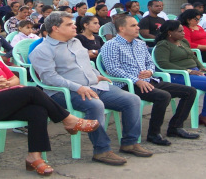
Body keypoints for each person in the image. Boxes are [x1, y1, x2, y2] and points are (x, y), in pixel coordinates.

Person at [0, 29, 99, 175]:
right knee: (32, 91)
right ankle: (69, 119)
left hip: (4, 102)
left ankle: (34, 157)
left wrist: (7, 84)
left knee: (38, 111)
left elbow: (15, 79)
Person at [30, 12, 152, 166]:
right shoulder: (42, 50)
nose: (75, 26)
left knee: (132, 99)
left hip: (93, 86)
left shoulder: (75, 42)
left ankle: (130, 142)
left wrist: (96, 75)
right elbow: (49, 78)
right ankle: (102, 150)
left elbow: (85, 64)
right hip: (63, 93)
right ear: (56, 28)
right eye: (69, 24)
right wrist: (78, 87)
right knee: (96, 105)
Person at [101, 16, 199, 144]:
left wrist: (150, 71)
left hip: (149, 80)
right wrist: (136, 80)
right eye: (133, 26)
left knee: (190, 91)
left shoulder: (140, 43)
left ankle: (175, 127)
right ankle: (154, 134)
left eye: (137, 25)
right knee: (163, 96)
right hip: (127, 85)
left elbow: (150, 62)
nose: (138, 28)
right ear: (121, 28)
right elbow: (113, 69)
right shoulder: (111, 45)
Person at [154, 20, 206, 128]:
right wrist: (189, 71)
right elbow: (163, 64)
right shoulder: (163, 45)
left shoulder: (183, 42)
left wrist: (202, 67)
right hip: (179, 75)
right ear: (170, 32)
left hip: (195, 71)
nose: (183, 33)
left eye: (183, 30)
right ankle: (205, 115)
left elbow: (192, 56)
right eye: (180, 31)